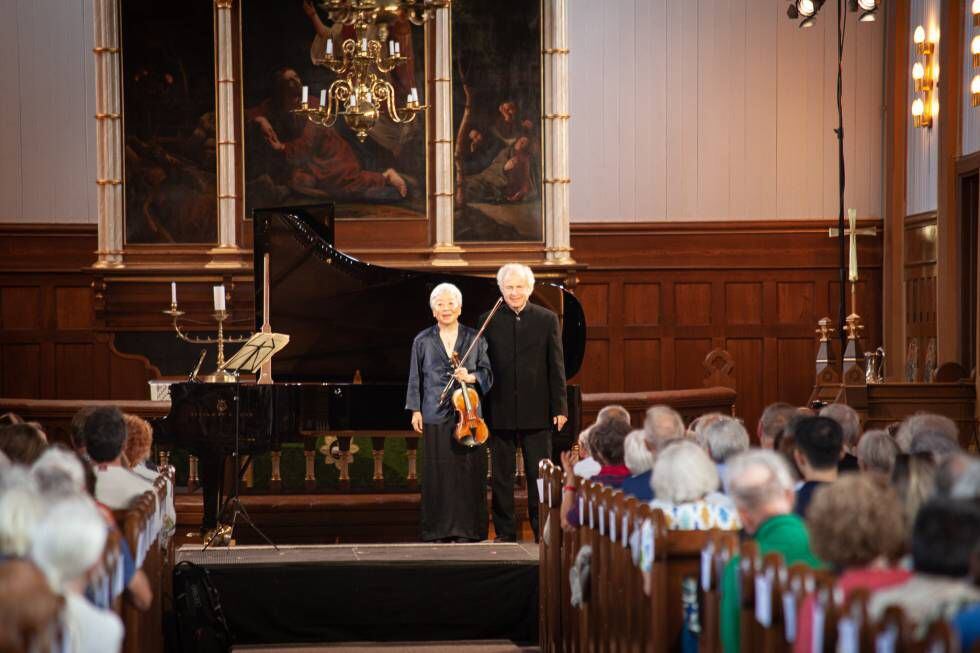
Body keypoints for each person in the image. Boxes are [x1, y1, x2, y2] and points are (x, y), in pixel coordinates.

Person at [481, 264, 567, 542]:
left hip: (538, 409)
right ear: (501, 290)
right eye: (509, 287)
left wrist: (560, 407)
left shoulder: (547, 319)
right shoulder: (488, 320)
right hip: (500, 408)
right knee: (501, 478)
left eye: (519, 287)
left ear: (529, 289)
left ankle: (542, 529)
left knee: (538, 475)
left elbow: (556, 366)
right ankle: (505, 532)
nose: (514, 292)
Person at [406, 283, 492, 543]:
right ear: (433, 311)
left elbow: (488, 375)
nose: (446, 309)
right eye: (440, 305)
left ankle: (470, 530)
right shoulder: (422, 340)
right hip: (434, 412)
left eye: (450, 303)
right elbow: (415, 378)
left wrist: (472, 376)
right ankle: (437, 530)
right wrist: (415, 410)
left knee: (467, 474)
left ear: (460, 308)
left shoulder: (475, 338)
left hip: (469, 416)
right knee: (437, 473)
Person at [719, 450, 823, 653]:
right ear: (790, 496)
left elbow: (732, 646)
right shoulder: (828, 551)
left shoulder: (739, 567)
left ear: (743, 515)